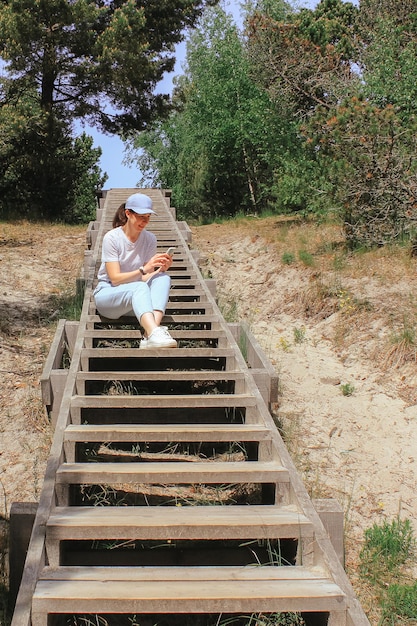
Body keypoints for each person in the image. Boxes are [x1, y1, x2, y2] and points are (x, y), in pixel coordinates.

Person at [93, 193, 177, 348]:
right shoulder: (111, 238)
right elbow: (115, 279)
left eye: (148, 217)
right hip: (108, 296)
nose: (145, 222)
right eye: (141, 217)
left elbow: (145, 278)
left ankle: (149, 335)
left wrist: (159, 270)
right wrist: (144, 269)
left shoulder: (149, 238)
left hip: (136, 300)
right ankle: (154, 332)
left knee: (163, 278)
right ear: (128, 213)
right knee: (139, 287)